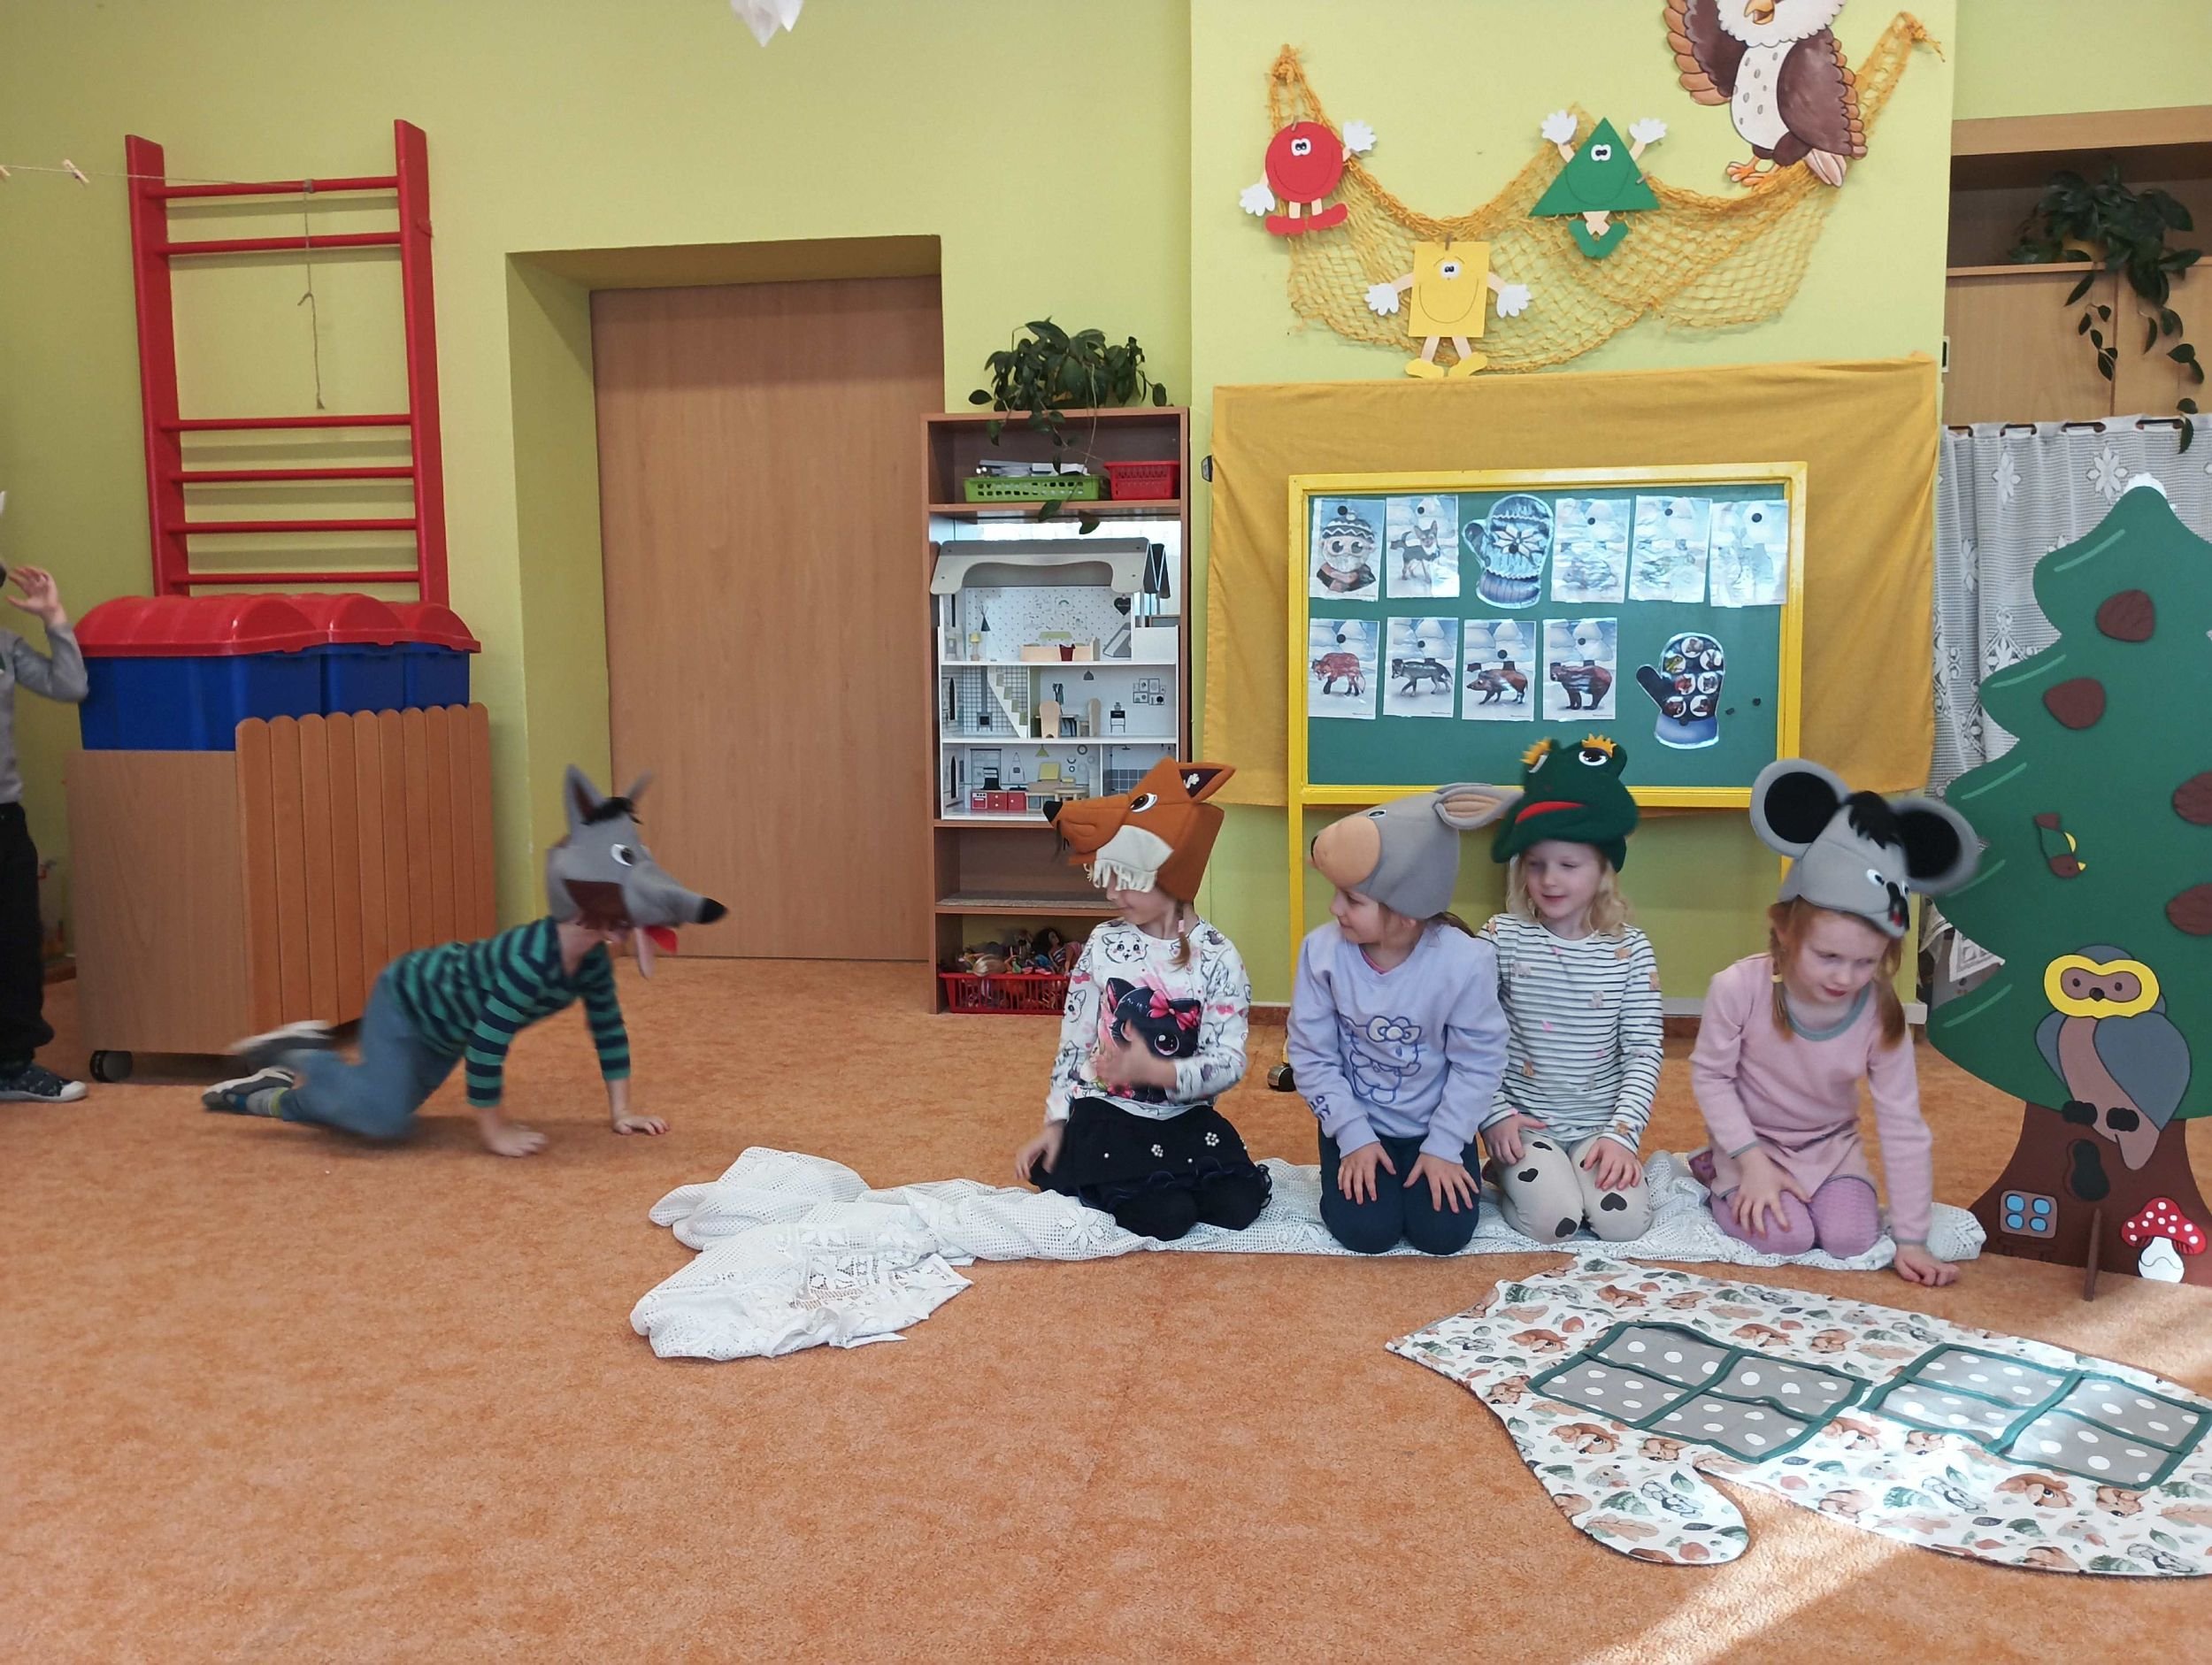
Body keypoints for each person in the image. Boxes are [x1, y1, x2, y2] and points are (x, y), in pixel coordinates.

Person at [204, 766, 722, 1156]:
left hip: (447, 1031)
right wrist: (495, 1131)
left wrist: (622, 1111)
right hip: (410, 998)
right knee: (384, 1120)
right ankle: (304, 1053)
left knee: (368, 1110)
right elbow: (486, 1047)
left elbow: (608, 1029)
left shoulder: (591, 964)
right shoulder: (529, 961)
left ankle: (263, 1095)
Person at [1691, 759, 1979, 1285]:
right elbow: (1711, 1077)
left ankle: (1798, 1188)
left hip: (1830, 1149)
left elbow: (1902, 1124)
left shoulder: (1878, 1012)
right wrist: (1750, 1163)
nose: (1845, 978)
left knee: (1850, 1239)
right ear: (1785, 932)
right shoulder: (1737, 987)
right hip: (1750, 1144)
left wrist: (1911, 1238)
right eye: (1827, 957)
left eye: (1865, 962)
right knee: (1787, 1236)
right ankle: (1714, 1169)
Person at [1014, 758, 1267, 1241]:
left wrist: (1159, 1072)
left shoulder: (1220, 956)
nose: (1111, 893)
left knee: (1237, 1207)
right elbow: (1074, 1043)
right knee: (1167, 1217)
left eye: (1125, 878)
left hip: (1184, 1115)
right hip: (1111, 1116)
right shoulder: (1103, 942)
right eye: (1105, 876)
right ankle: (1092, 1170)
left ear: (1174, 875)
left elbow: (1229, 1062)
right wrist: (1056, 1123)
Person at [1290, 784, 1513, 1254]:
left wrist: (1446, 1145)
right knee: (1367, 1233)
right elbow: (1312, 1057)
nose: (1334, 909)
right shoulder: (1321, 952)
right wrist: (1352, 1137)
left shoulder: (1466, 962)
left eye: (1352, 900)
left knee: (1444, 1235)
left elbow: (1478, 1064)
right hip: (1358, 1123)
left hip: (1437, 1125)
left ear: (1408, 912)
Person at [1479, 734, 1663, 1243]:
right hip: (1521, 1124)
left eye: (1569, 865)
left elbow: (1643, 1050)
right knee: (1553, 1222)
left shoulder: (1631, 949)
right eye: (1536, 864)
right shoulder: (1501, 937)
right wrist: (1494, 1115)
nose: (1549, 880)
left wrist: (1622, 1136)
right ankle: (1510, 1176)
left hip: (1597, 1128)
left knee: (1623, 1224)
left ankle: (1566, 1174)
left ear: (1603, 869)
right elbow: (1468, 1033)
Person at [0, 552, 89, 1103]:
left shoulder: (6, 647)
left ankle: (12, 1066)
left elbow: (70, 686)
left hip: (5, 815)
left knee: (15, 942)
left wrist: (54, 618)